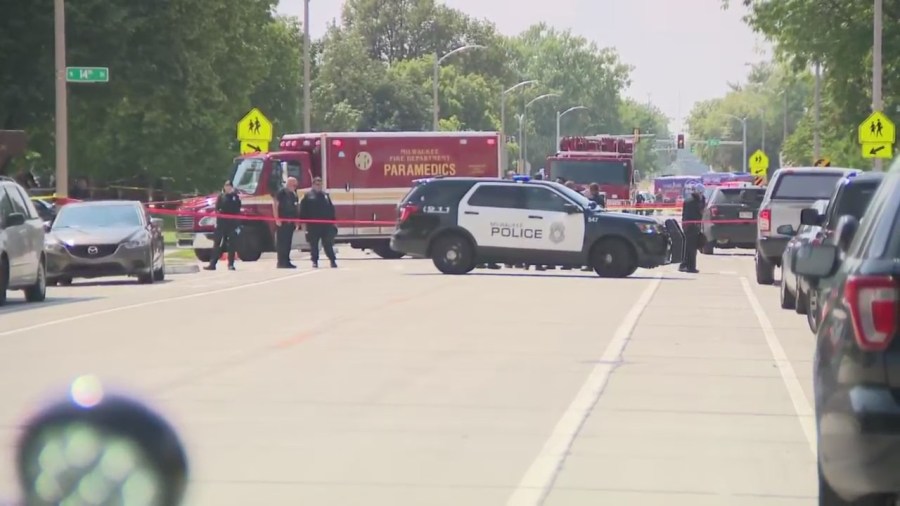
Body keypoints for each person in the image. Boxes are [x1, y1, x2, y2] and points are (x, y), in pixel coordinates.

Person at [298, 177, 337, 268]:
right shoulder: (307, 196)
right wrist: (303, 224)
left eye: (320, 184)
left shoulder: (326, 196)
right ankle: (314, 261)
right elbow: (303, 210)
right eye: (317, 184)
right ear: (313, 185)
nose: (318, 185)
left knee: (328, 244)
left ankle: (332, 260)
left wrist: (334, 222)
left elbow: (331, 209)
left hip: (326, 225)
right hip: (313, 226)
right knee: (314, 245)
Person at [203, 180, 242, 271]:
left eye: (229, 186)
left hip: (232, 224)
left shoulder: (235, 197)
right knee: (217, 244)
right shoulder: (221, 197)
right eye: (226, 186)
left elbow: (238, 209)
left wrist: (237, 224)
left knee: (232, 245)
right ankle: (212, 264)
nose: (228, 187)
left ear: (232, 187)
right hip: (221, 224)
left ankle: (230, 264)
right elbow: (217, 209)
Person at [273, 176, 300, 269]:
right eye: (293, 184)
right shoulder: (281, 192)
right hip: (282, 221)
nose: (295, 186)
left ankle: (287, 261)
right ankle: (281, 262)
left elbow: (296, 207)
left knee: (288, 243)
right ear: (289, 184)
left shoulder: (293, 194)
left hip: (291, 221)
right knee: (281, 243)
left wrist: (297, 221)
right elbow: (275, 204)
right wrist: (277, 218)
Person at [680, 183, 704, 273]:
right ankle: (691, 267)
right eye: (701, 193)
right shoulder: (693, 201)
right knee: (692, 248)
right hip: (691, 226)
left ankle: (684, 264)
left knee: (688, 247)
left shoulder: (689, 200)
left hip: (689, 226)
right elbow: (697, 213)